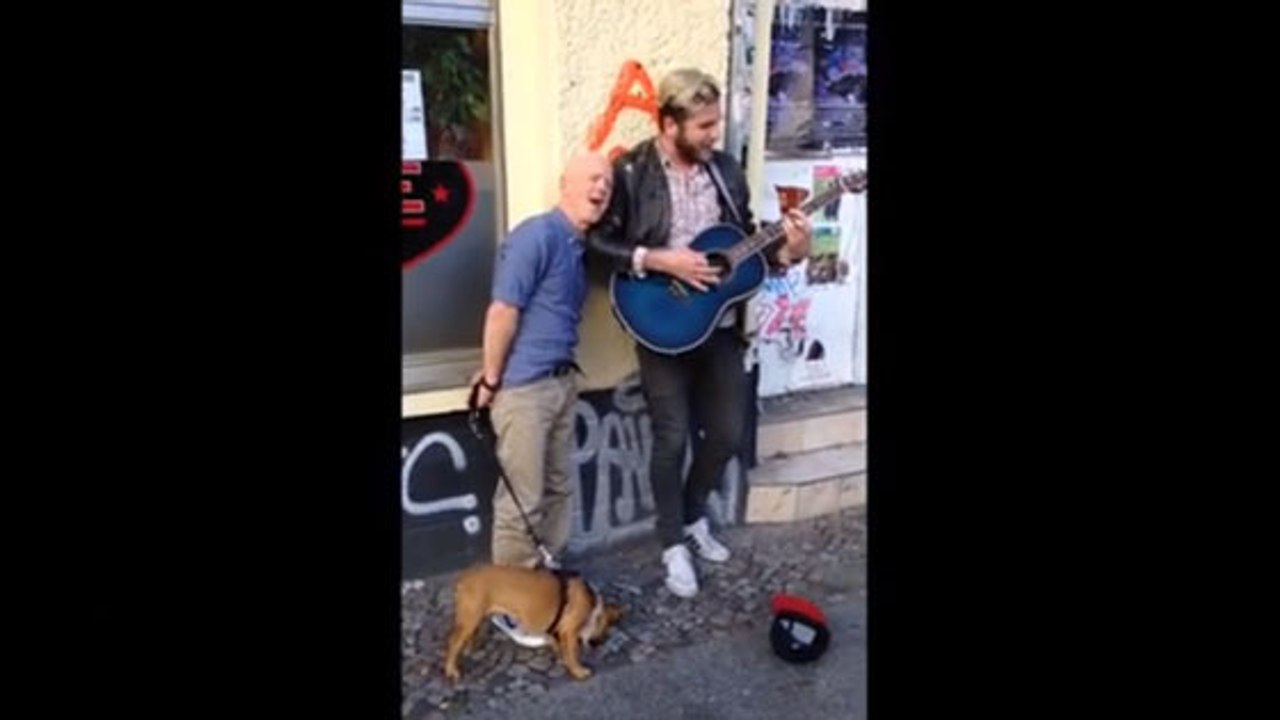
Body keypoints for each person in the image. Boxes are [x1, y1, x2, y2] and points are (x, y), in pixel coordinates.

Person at [587, 68, 813, 598]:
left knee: (729, 433)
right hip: (660, 322)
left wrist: (790, 248)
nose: (715, 134)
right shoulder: (632, 172)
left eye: (716, 124)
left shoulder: (727, 172)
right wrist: (659, 259)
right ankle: (671, 545)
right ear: (669, 124)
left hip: (717, 325)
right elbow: (597, 245)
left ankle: (692, 518)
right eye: (704, 125)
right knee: (671, 437)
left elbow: (748, 249)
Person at [471, 151, 614, 643]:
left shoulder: (576, 246)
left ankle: (542, 583)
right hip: (525, 389)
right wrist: (491, 380)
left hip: (560, 382)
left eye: (608, 182)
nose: (602, 188)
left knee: (557, 487)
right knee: (522, 498)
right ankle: (510, 604)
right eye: (593, 178)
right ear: (565, 184)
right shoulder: (537, 235)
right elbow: (502, 311)